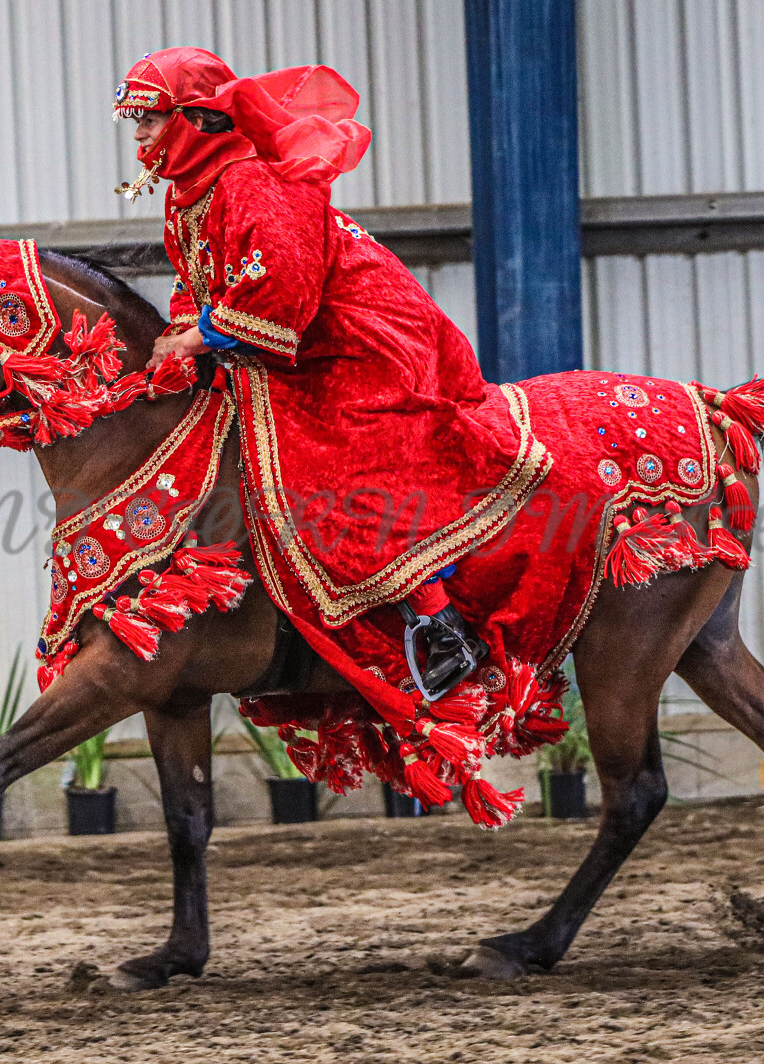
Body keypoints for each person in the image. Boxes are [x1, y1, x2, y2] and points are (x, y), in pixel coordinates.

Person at [114, 48, 551, 697]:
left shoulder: (253, 181)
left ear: (193, 120)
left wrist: (198, 337)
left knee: (323, 463)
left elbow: (280, 290)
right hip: (288, 341)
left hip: (358, 337)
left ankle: (439, 624)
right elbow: (201, 280)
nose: (140, 137)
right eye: (137, 123)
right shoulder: (188, 193)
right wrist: (181, 336)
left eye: (150, 120)